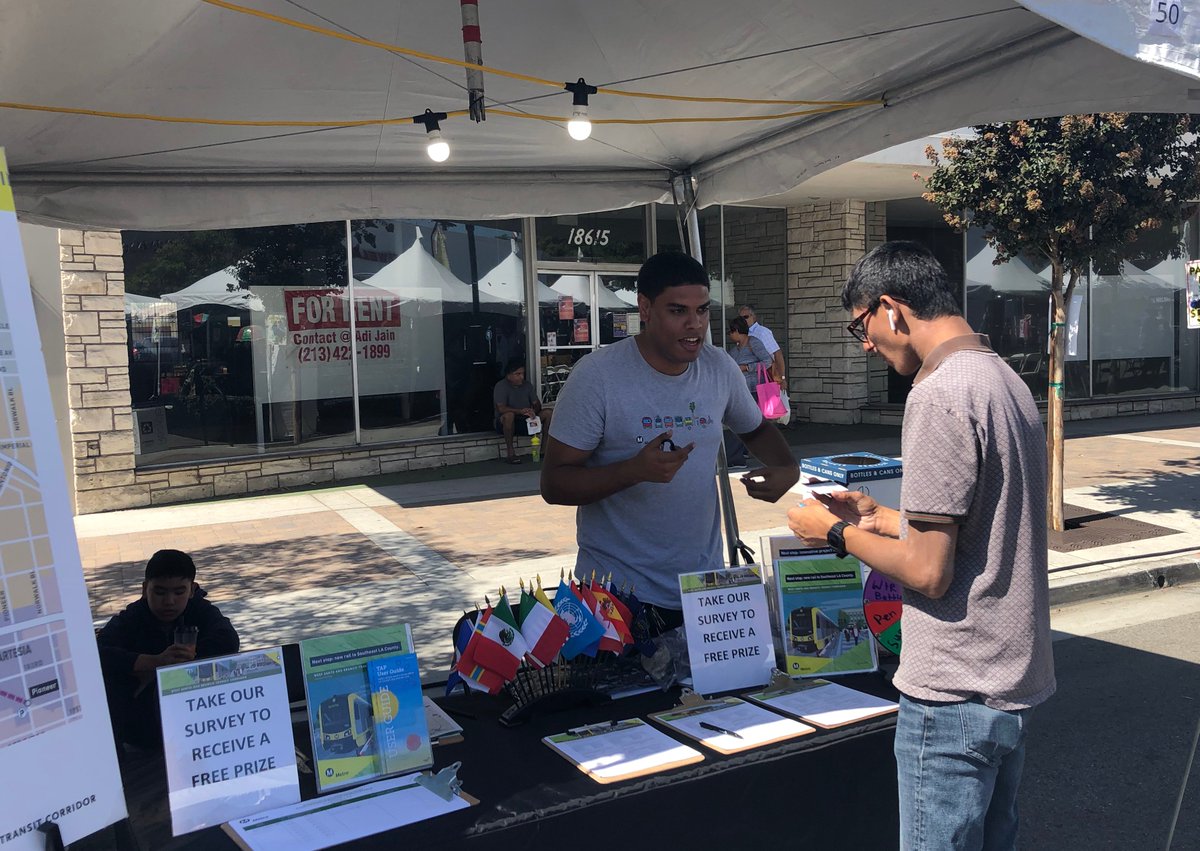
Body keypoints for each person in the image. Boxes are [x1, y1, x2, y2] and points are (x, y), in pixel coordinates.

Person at [787, 241, 1055, 850]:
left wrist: (835, 533)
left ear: (891, 309)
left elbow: (929, 572)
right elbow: (983, 522)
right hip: (1007, 678)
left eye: (860, 326)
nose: (864, 344)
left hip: (953, 688)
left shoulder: (937, 394)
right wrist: (881, 518)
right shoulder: (1000, 375)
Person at [541, 252, 799, 629]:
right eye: (678, 311)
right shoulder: (598, 376)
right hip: (616, 597)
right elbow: (554, 483)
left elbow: (755, 428)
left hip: (702, 587)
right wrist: (632, 471)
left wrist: (787, 467)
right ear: (644, 308)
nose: (694, 324)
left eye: (702, 310)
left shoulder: (718, 367)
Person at [97, 549, 240, 751]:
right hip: (141, 731)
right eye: (160, 592)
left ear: (192, 589)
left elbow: (228, 640)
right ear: (145, 589)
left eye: (179, 592)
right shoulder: (132, 618)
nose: (169, 601)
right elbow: (98, 653)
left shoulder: (200, 610)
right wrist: (154, 662)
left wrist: (192, 656)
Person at [493, 358, 552, 465]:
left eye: (522, 373)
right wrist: (519, 411)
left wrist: (533, 410)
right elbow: (500, 408)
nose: (522, 377)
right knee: (509, 415)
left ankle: (544, 451)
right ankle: (511, 454)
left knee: (548, 413)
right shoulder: (501, 386)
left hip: (527, 421)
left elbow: (537, 403)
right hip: (507, 423)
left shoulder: (527, 385)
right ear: (508, 375)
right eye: (517, 374)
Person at [738, 304, 786, 388]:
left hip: (764, 378)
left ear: (754, 317)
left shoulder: (762, 332)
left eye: (746, 317)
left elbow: (777, 354)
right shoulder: (742, 334)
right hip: (749, 381)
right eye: (740, 318)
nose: (743, 320)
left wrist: (782, 377)